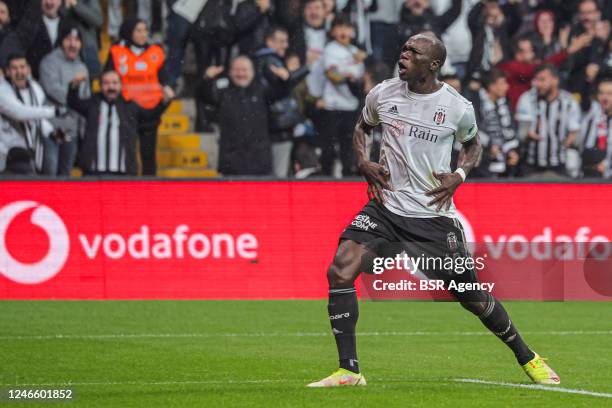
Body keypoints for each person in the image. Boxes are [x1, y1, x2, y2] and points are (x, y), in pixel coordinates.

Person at [307, 33, 559, 387]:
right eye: (404, 48)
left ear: (433, 64)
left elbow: (473, 146)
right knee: (340, 270)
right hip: (385, 208)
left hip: (432, 217)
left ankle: (527, 357)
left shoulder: (457, 107)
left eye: (414, 51)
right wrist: (362, 161)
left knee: (470, 296)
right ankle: (349, 370)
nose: (404, 54)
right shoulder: (383, 93)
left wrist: (459, 174)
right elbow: (362, 126)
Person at [199, 56, 290, 176]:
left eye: (244, 70)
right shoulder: (223, 92)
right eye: (237, 70)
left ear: (252, 72)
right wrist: (207, 79)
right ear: (230, 72)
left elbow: (281, 92)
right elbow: (204, 96)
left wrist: (285, 80)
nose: (241, 74)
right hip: (231, 161)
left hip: (259, 160)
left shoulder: (261, 91)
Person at [106, 19, 174, 176]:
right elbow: (108, 76)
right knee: (127, 152)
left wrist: (168, 91)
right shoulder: (117, 51)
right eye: (138, 30)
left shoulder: (156, 52)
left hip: (151, 109)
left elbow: (164, 79)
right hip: (126, 109)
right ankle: (128, 185)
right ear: (129, 31)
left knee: (149, 154)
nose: (143, 34)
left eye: (145, 30)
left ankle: (149, 189)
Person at [254, 26, 309, 177]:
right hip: (278, 124)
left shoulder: (261, 59)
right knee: (279, 174)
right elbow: (282, 85)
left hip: (276, 123)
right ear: (269, 42)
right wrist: (305, 68)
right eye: (281, 41)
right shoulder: (270, 60)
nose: (285, 45)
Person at [0, 54, 66, 172]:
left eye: (22, 67)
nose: (19, 72)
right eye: (14, 68)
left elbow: (35, 118)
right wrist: (53, 111)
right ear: (7, 72)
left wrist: (52, 132)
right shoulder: (2, 91)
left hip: (29, 153)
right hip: (5, 153)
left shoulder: (36, 89)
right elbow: (20, 113)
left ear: (28, 70)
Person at [39, 25, 90, 176]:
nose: (73, 44)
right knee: (50, 172)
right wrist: (74, 98)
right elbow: (53, 89)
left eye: (77, 40)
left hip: (71, 129)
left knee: (65, 174)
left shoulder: (82, 67)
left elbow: (85, 99)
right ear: (61, 41)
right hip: (53, 128)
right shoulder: (49, 62)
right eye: (68, 39)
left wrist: (82, 131)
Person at [318, 15, 366, 176]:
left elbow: (363, 78)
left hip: (351, 106)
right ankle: (325, 179)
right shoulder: (330, 49)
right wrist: (349, 78)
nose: (343, 31)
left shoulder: (355, 51)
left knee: (349, 148)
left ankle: (347, 180)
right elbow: (332, 75)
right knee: (329, 148)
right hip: (332, 106)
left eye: (347, 27)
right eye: (339, 27)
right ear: (333, 31)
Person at [66, 70, 139, 175]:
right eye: (106, 83)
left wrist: (164, 102)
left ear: (121, 85)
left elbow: (150, 116)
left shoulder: (129, 106)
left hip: (123, 172)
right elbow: (73, 102)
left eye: (114, 83)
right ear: (100, 85)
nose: (111, 87)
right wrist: (74, 87)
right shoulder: (93, 104)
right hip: (94, 170)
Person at [515, 64, 581, 178]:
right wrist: (528, 133)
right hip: (531, 166)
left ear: (555, 81)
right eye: (536, 80)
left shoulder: (569, 102)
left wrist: (570, 139)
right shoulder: (527, 98)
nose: (538, 84)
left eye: (542, 80)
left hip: (559, 166)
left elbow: (575, 134)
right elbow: (522, 133)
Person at [498, 34, 591, 110]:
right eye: (529, 50)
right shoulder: (510, 66)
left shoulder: (527, 65)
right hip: (517, 114)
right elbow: (536, 69)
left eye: (532, 50)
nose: (532, 53)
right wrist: (569, 50)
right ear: (518, 52)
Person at [474, 68, 519, 177]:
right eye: (503, 83)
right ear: (491, 86)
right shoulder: (475, 103)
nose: (507, 86)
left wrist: (511, 151)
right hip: (480, 166)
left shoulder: (505, 104)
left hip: (503, 166)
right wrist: (489, 147)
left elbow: (509, 131)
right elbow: (471, 131)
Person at [62, 0, 103, 78]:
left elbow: (98, 20)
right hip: (65, 52)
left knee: (89, 81)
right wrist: (66, 8)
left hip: (87, 48)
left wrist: (76, 5)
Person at [580, 77, 611, 176]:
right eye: (601, 93)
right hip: (587, 173)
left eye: (610, 94)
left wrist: (606, 164)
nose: (604, 98)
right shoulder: (591, 114)